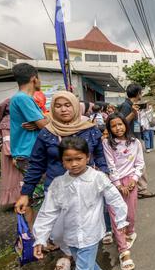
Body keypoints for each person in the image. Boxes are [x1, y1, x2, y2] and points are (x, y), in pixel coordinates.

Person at [32, 137, 128, 270]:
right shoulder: (58, 183)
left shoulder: (97, 178)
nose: (74, 163)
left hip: (90, 235)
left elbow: (115, 199)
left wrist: (121, 221)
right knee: (86, 265)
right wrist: (40, 238)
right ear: (62, 161)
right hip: (70, 236)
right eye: (68, 160)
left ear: (87, 157)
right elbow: (47, 212)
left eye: (78, 158)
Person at [15, 91, 109, 231]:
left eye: (67, 105)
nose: (63, 109)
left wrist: (105, 173)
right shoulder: (47, 133)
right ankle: (67, 251)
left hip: (87, 190)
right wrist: (25, 194)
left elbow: (100, 156)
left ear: (76, 107)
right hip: (56, 191)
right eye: (58, 106)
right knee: (60, 232)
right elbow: (36, 165)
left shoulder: (90, 130)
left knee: (86, 231)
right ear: (53, 108)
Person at [103, 113, 145, 270]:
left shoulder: (135, 143)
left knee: (131, 214)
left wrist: (134, 179)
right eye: (113, 126)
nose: (117, 128)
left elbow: (139, 164)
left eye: (120, 124)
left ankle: (130, 232)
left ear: (126, 125)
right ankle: (123, 251)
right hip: (114, 184)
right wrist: (118, 185)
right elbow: (110, 165)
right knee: (116, 216)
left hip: (131, 182)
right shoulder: (107, 144)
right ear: (109, 129)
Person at [10, 63, 49, 225]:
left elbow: (42, 121)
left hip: (28, 154)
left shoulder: (24, 99)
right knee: (40, 197)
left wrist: (41, 121)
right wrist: (42, 122)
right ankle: (39, 239)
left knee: (34, 196)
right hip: (29, 155)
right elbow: (46, 125)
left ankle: (34, 237)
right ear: (34, 79)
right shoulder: (23, 98)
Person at [119, 84, 155, 199]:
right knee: (140, 165)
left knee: (137, 165)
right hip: (129, 139)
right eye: (141, 92)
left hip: (134, 138)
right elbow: (121, 122)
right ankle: (141, 189)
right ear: (137, 93)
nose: (142, 94)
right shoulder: (126, 106)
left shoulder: (132, 105)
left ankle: (138, 188)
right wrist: (133, 114)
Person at [0, 99, 23, 207]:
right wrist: (14, 155)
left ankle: (18, 198)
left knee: (17, 177)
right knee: (14, 177)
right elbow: (8, 141)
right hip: (12, 155)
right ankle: (16, 199)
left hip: (16, 152)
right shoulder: (8, 121)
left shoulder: (12, 119)